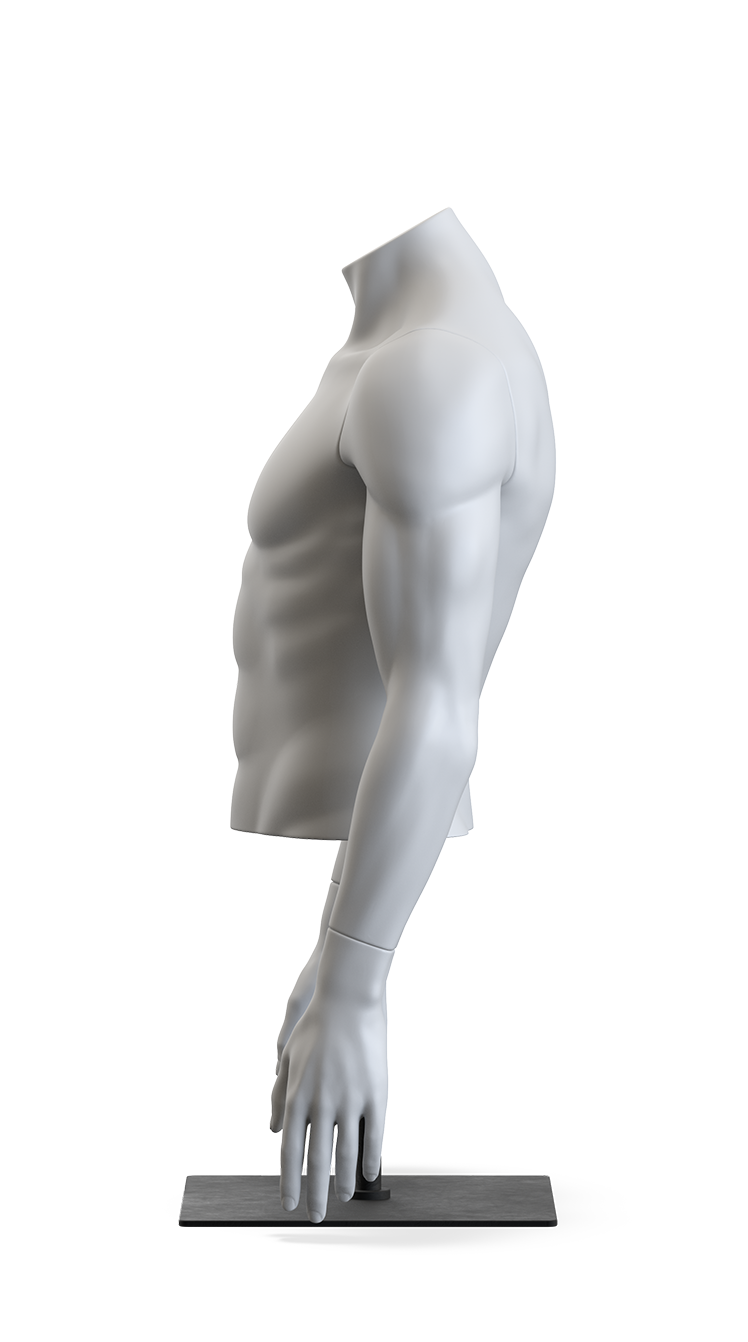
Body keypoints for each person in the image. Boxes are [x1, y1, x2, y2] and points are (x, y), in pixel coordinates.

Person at [229, 209, 555, 1222]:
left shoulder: (435, 367)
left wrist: (356, 981)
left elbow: (439, 702)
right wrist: (335, 952)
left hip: (381, 900)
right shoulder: (403, 345)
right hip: (349, 878)